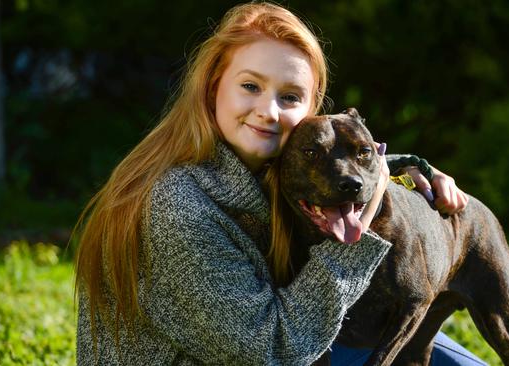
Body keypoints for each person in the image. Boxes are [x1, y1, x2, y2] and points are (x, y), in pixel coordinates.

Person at [74, 2, 481, 365]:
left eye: (289, 97)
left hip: (303, 336)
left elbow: (336, 163)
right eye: (250, 86)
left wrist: (408, 169)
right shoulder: (178, 205)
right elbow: (273, 352)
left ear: (311, 110)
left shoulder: (266, 167)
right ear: (214, 86)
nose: (269, 111)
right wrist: (360, 223)